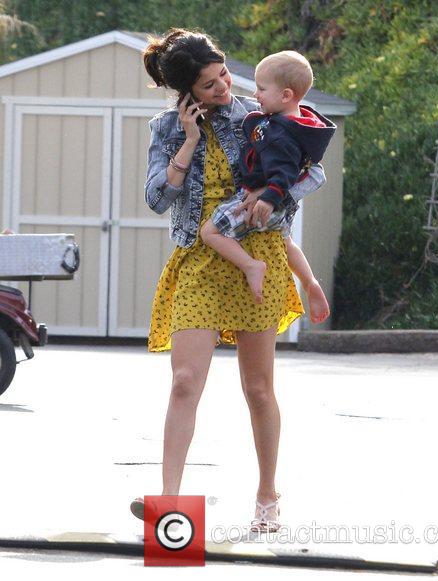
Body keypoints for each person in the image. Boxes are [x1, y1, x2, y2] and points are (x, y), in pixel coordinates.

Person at [130, 28, 330, 532]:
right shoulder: (166, 128)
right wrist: (189, 143)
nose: (224, 89)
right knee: (183, 382)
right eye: (210, 84)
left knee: (258, 389)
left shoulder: (256, 115)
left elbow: (313, 173)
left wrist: (269, 199)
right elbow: (158, 199)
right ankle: (167, 502)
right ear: (188, 92)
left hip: (258, 251)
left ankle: (267, 495)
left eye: (223, 76)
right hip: (200, 259)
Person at [200, 51, 335, 320]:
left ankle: (251, 266)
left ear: (285, 95)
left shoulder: (278, 134)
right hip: (279, 205)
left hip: (261, 201)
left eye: (261, 89)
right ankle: (309, 281)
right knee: (285, 240)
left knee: (210, 232)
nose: (256, 94)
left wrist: (267, 197)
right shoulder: (297, 124)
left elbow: (283, 171)